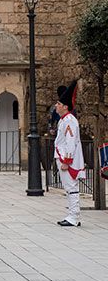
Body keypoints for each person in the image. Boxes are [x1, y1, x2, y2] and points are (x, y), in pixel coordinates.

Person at [54, 80, 85, 227]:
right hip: (63, 158)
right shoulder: (64, 120)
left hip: (68, 160)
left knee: (71, 187)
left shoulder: (70, 121)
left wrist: (66, 161)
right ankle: (72, 215)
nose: (56, 106)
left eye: (59, 104)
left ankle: (74, 216)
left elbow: (70, 141)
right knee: (69, 188)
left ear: (65, 107)